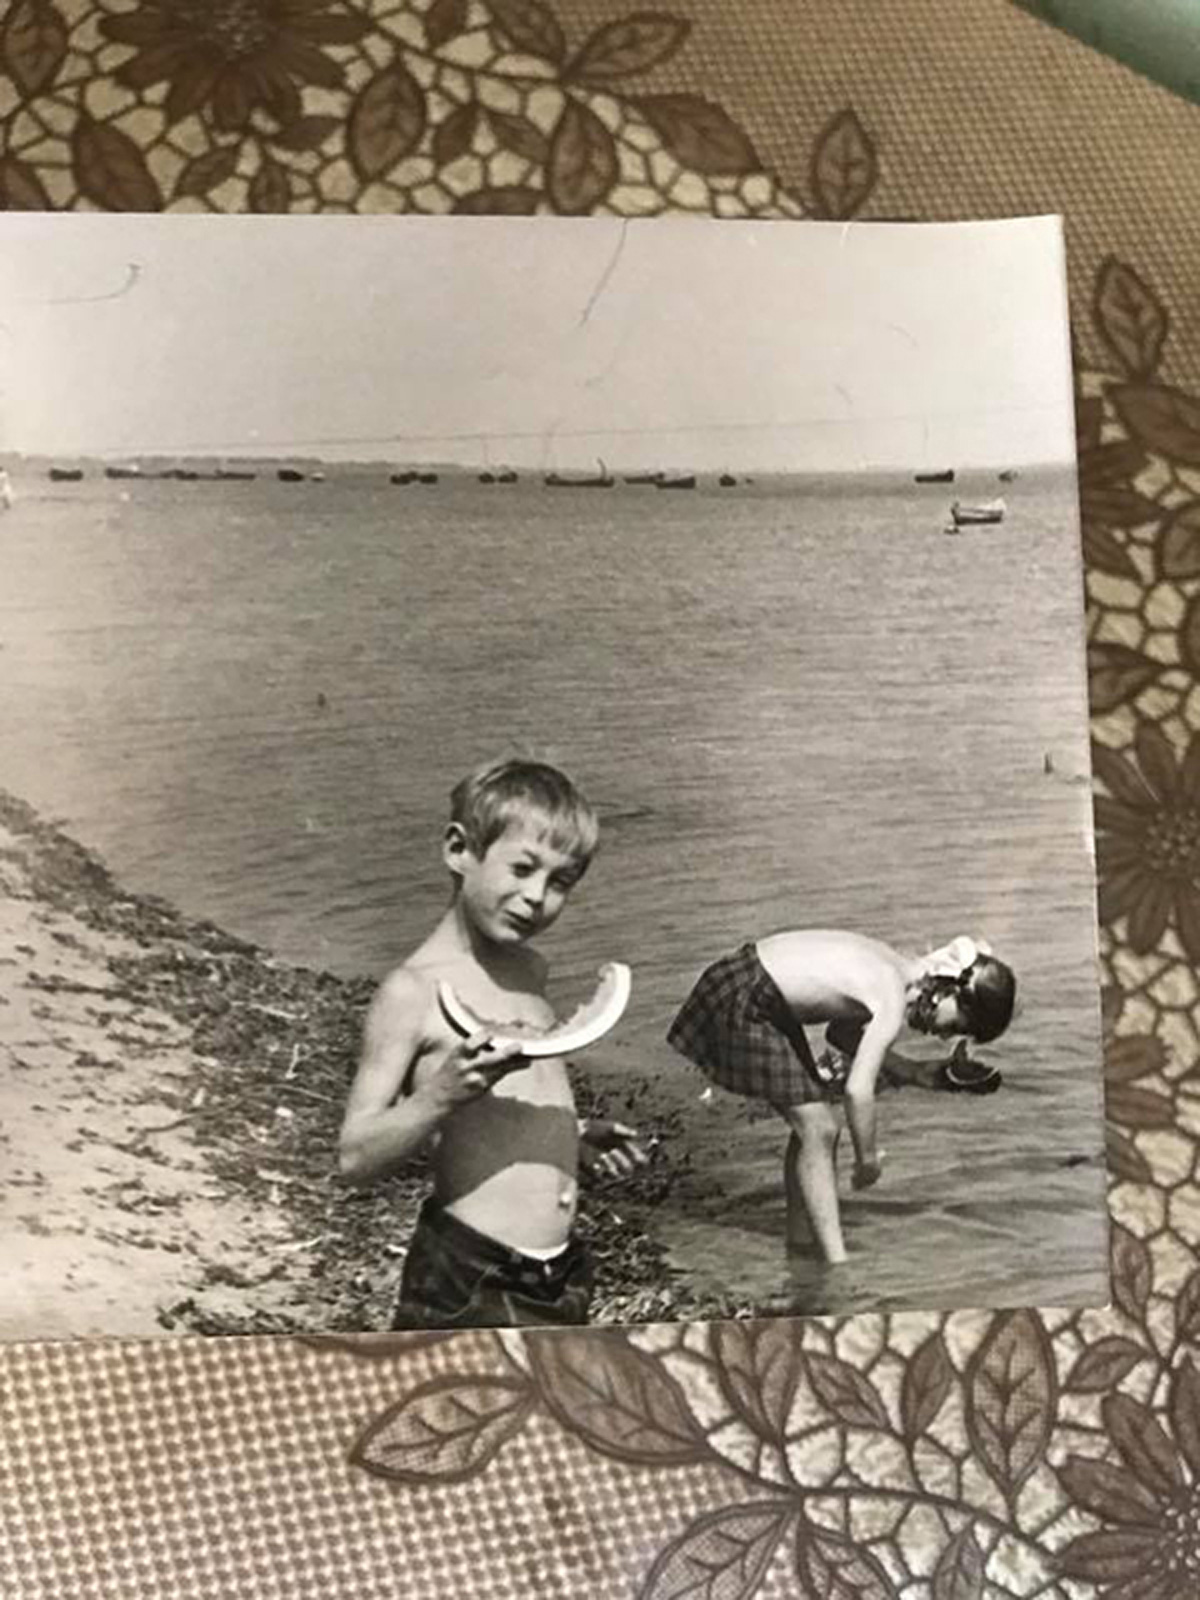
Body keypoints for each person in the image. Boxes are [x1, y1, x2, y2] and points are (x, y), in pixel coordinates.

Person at [339, 757, 646, 1329]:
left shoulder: (530, 972)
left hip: (561, 1275)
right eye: (522, 868)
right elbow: (355, 1156)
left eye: (560, 882)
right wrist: (438, 1096)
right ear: (459, 850)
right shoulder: (412, 991)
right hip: (470, 1274)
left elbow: (498, 1112)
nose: (537, 896)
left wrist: (572, 1137)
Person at [667, 931, 1016, 1265]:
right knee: (819, 1129)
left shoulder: (894, 970)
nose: (942, 1036)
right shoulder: (892, 994)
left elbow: (840, 1033)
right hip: (744, 996)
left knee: (811, 1127)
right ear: (950, 990)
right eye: (954, 1027)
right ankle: (836, 1264)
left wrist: (913, 1072)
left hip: (747, 983)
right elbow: (857, 1091)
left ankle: (800, 1244)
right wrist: (867, 1160)